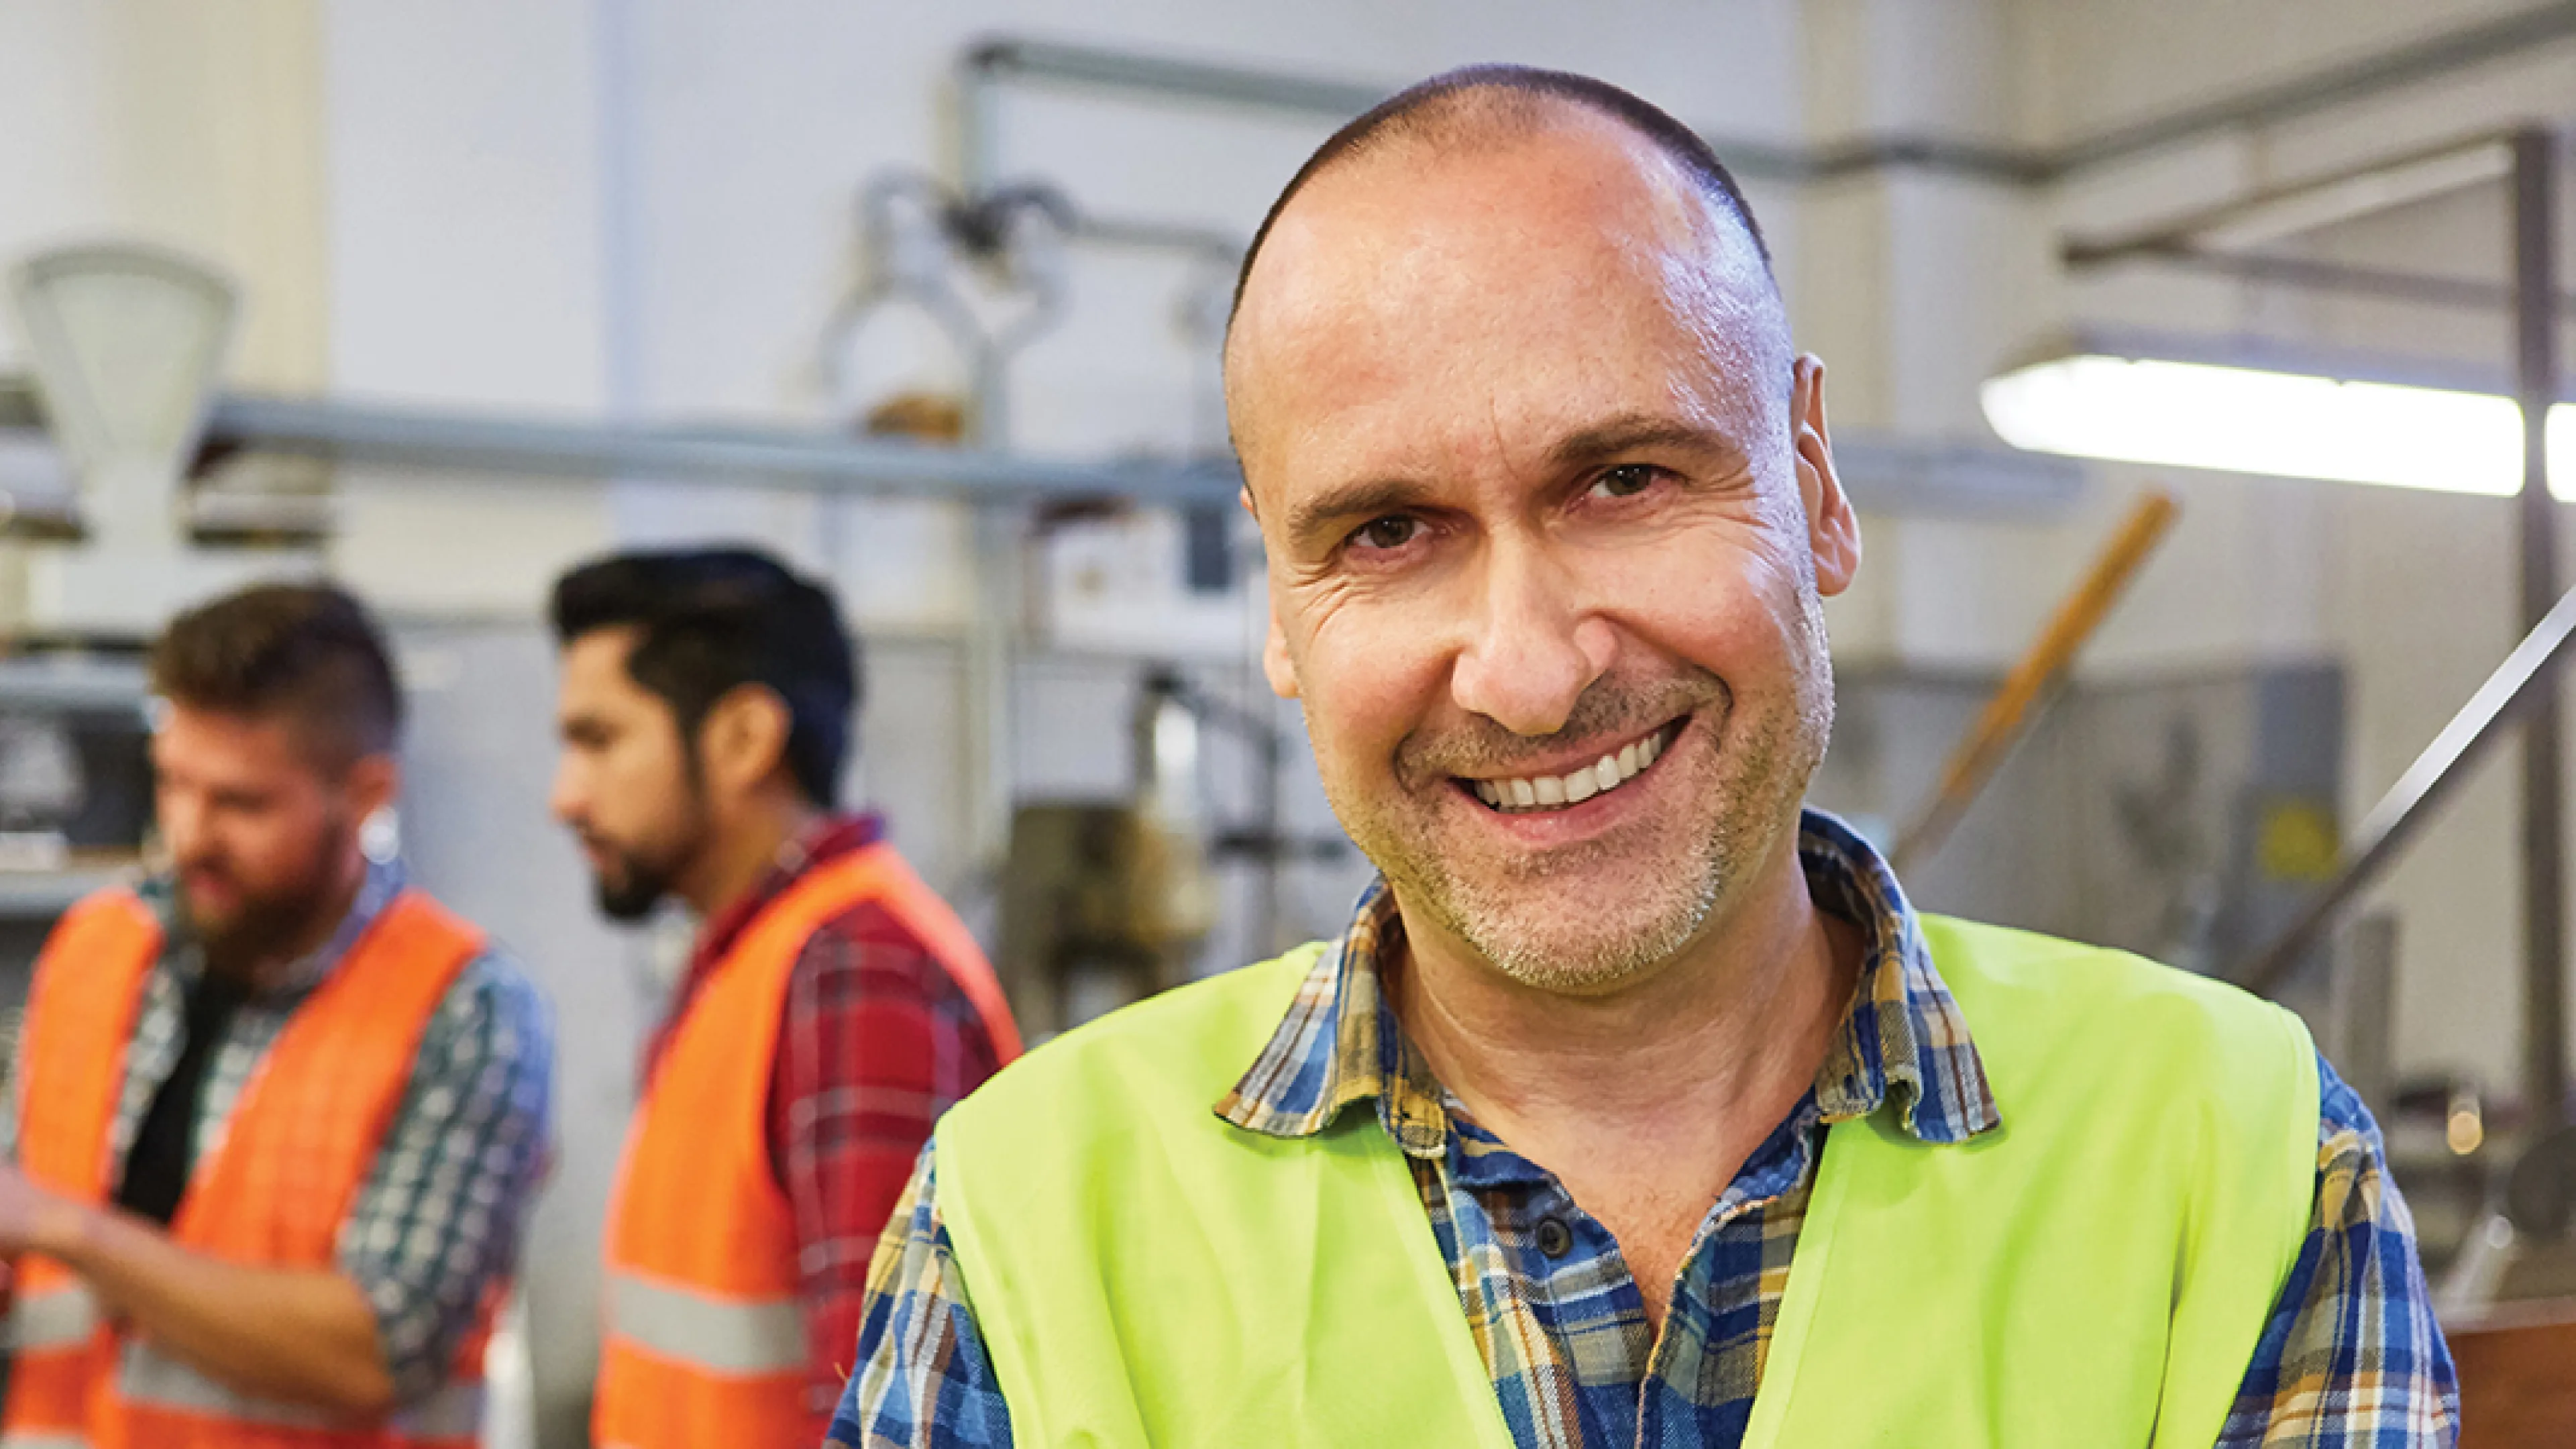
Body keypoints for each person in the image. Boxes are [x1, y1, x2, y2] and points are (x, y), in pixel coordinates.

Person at [832, 66, 2458, 1449]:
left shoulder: (2232, 1160)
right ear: (1277, 591)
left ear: (1813, 479)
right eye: (1390, 530)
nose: (1530, 676)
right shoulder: (1028, 1225)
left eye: (1624, 479)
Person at [0, 582, 554, 1448]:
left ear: (367, 794)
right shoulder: (99, 946)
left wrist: (66, 1230)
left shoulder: (465, 1008)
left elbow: (378, 1348)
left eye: (241, 803)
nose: (188, 833)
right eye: (173, 783)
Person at [547, 548, 1020, 1449]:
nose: (565, 797)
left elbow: (891, 1419)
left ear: (742, 740)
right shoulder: (757, 955)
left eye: (599, 740)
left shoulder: (856, 973)